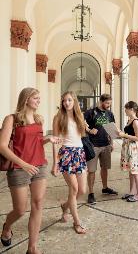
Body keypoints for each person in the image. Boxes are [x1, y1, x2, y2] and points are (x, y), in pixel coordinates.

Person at [0, 87, 59, 254]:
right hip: (19, 168)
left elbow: (35, 142)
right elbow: (2, 147)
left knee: (38, 204)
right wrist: (24, 164)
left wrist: (47, 139)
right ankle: (7, 226)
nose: (39, 101)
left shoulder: (39, 119)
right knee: (20, 209)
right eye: (36, 98)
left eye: (39, 98)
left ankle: (32, 248)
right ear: (26, 99)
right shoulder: (11, 119)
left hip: (39, 165)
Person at [52, 91, 87, 234]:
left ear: (74, 102)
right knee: (74, 189)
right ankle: (77, 223)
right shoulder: (58, 117)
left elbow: (81, 134)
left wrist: (89, 128)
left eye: (69, 100)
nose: (66, 103)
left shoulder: (80, 116)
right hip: (66, 154)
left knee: (82, 190)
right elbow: (54, 141)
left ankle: (65, 206)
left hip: (79, 153)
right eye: (64, 100)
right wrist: (55, 162)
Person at [84, 94, 117, 204]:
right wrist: (89, 130)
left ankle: (105, 187)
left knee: (105, 168)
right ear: (101, 101)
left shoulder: (110, 114)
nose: (108, 105)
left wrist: (112, 143)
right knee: (92, 170)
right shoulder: (90, 113)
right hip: (93, 145)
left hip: (106, 145)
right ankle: (91, 193)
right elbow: (81, 123)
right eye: (107, 103)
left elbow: (112, 129)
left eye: (110, 103)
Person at [119, 101, 138, 202]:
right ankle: (132, 191)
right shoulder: (130, 120)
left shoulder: (136, 121)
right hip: (127, 147)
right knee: (131, 171)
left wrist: (124, 135)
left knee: (135, 171)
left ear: (131, 109)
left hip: (133, 148)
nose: (125, 111)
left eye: (126, 109)